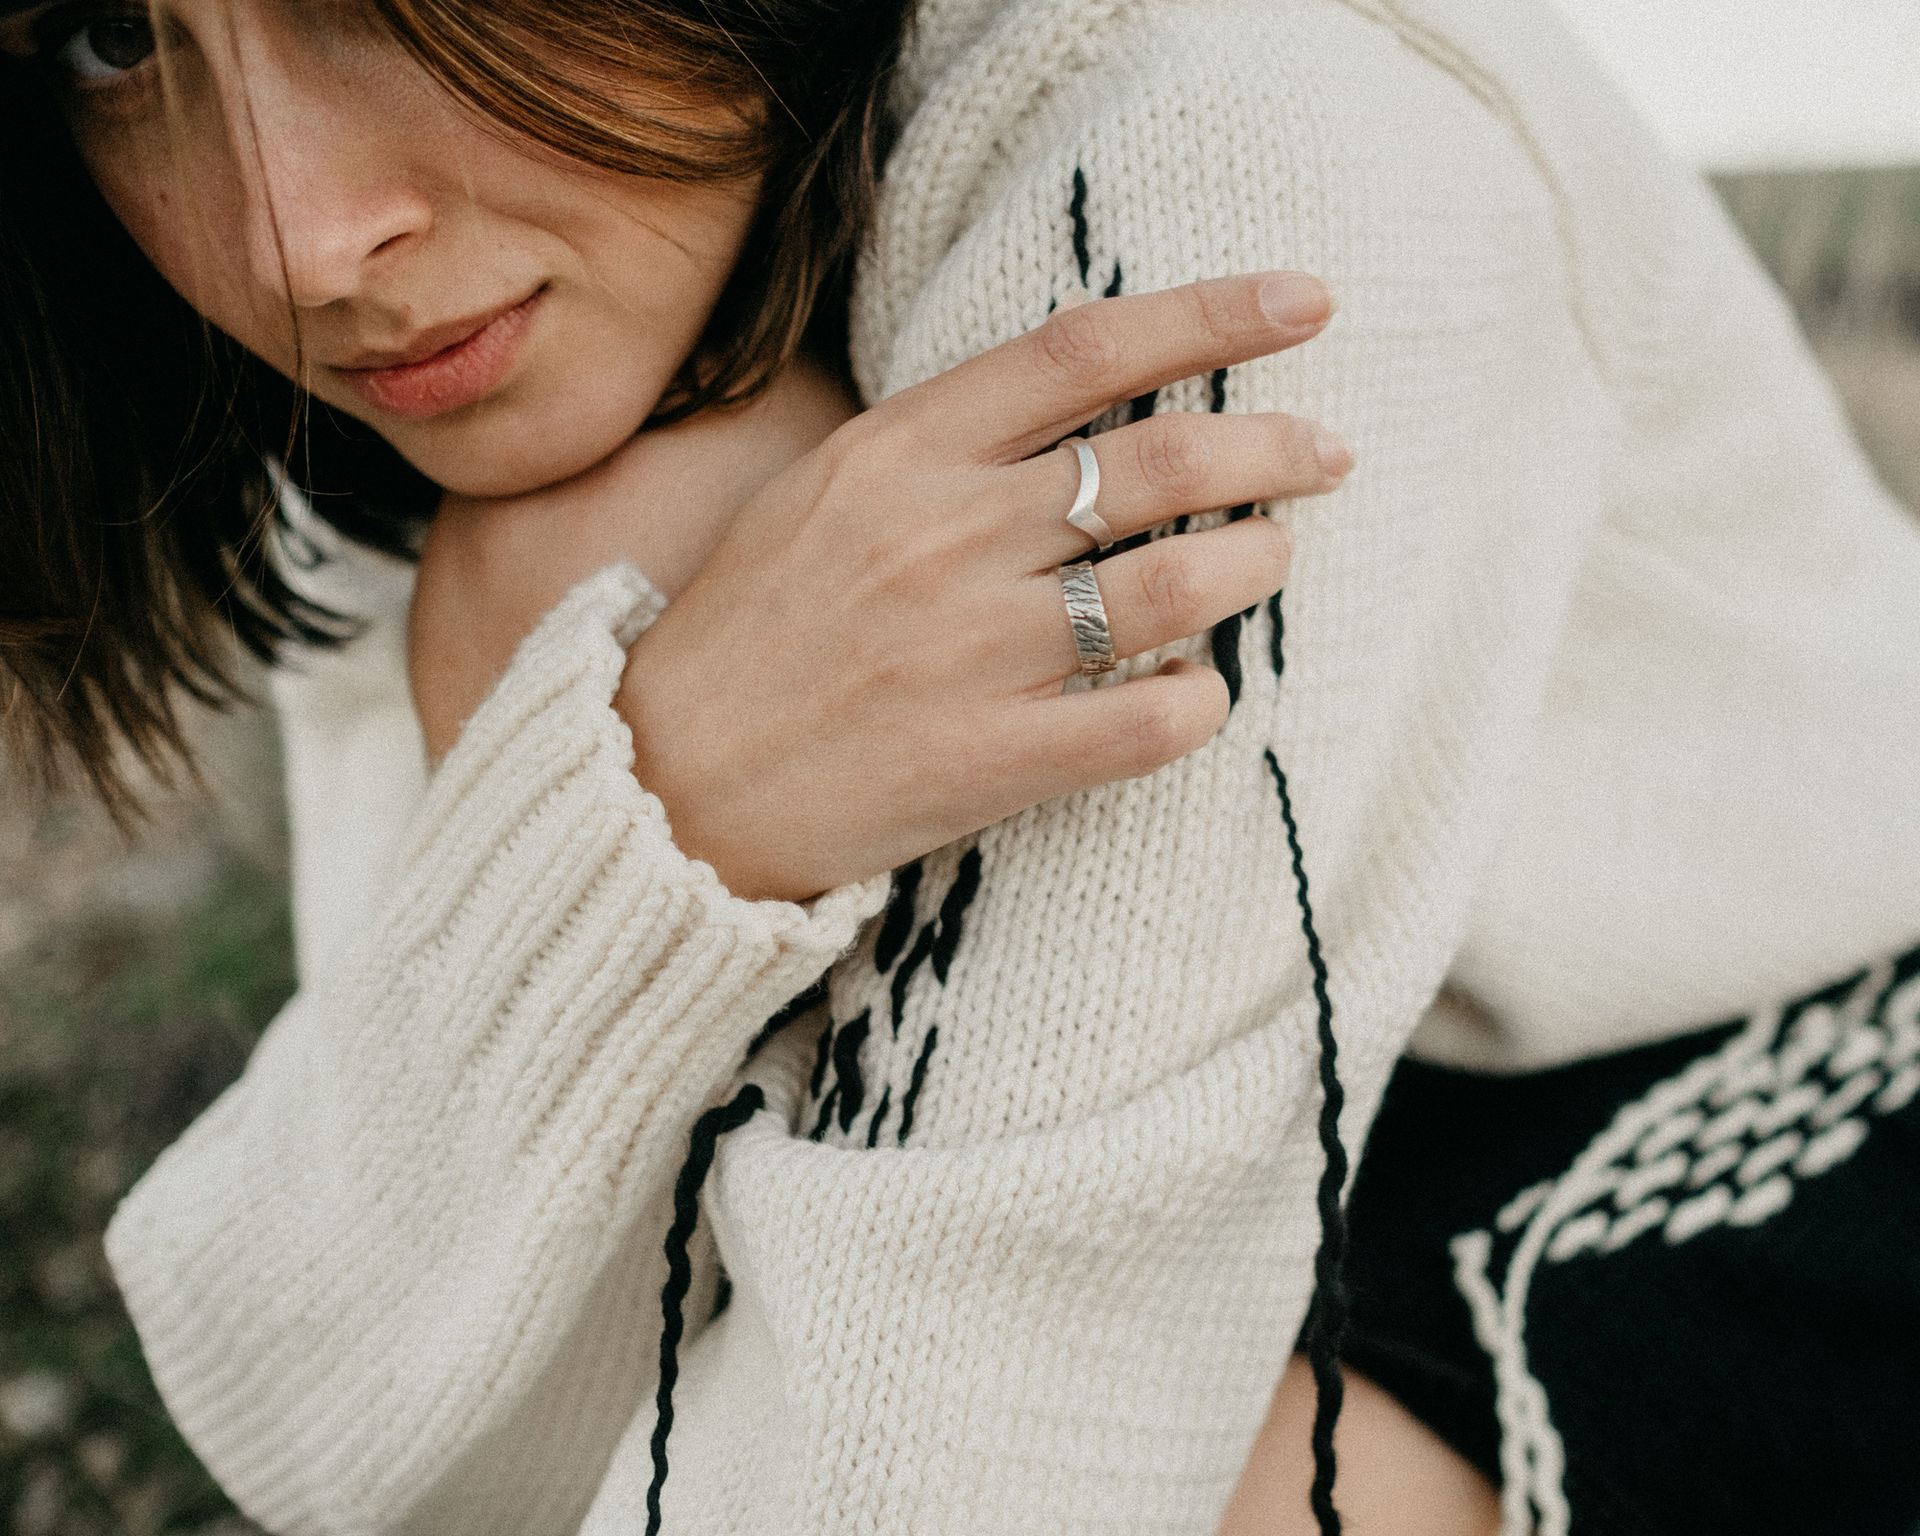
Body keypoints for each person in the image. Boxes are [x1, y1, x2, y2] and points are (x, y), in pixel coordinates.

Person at [3, 2, 1918, 1535]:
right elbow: (387, 1448)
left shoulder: (1228, 124)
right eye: (106, 33)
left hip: (1753, 1073)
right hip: (1264, 1113)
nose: (300, 239)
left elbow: (947, 1460)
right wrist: (662, 808)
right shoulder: (444, 398)